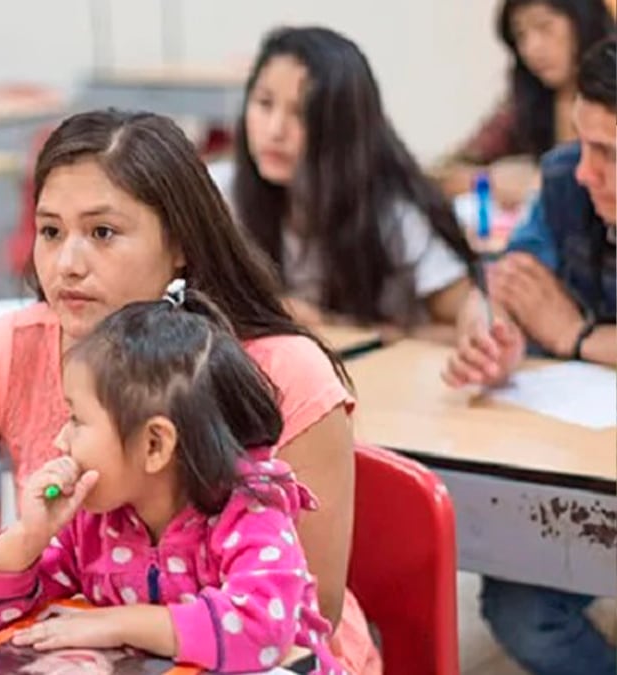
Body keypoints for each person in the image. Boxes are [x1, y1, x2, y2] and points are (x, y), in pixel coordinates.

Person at [0, 109, 383, 672]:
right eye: (50, 232)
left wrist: (118, 629)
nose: (66, 264)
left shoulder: (279, 372)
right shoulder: (20, 354)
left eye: (102, 233)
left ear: (181, 242)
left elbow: (296, 621)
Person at [0, 286, 344, 672]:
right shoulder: (93, 521)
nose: (60, 439)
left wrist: (118, 624)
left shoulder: (251, 508)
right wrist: (27, 538)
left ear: (154, 445)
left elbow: (259, 630)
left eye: (77, 420)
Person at [443, 37, 616, 675]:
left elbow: (562, 325)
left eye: (609, 154)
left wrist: (574, 336)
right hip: (585, 467)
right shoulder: (568, 182)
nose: (585, 171)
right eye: (584, 142)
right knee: (521, 606)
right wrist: (491, 333)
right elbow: (502, 286)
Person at [225, 26, 477, 337]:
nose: (275, 130)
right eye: (264, 103)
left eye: (302, 113)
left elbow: (469, 324)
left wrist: (338, 325)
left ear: (343, 128)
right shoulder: (220, 193)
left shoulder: (391, 215)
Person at [436, 0, 614, 207]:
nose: (531, 48)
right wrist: (489, 181)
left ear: (583, 20)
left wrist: (537, 185)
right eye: (520, 35)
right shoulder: (526, 105)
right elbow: (445, 172)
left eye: (544, 26)